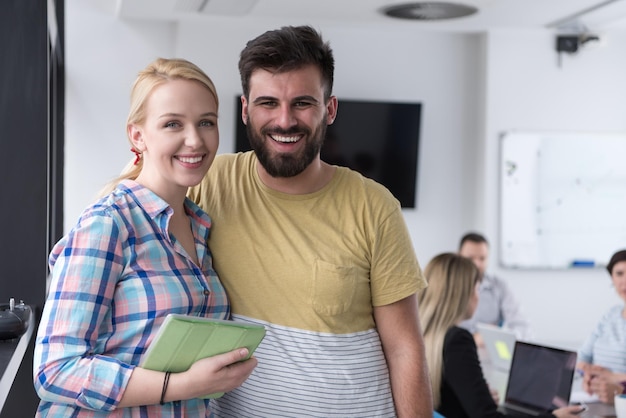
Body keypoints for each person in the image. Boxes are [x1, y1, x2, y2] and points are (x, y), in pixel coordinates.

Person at [188, 25, 433, 417]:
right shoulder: (206, 183)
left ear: (329, 109)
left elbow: (405, 348)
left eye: (302, 103)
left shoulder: (374, 207)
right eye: (268, 102)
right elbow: (124, 207)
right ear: (246, 109)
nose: (285, 121)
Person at [33, 58, 257, 416]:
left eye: (206, 123)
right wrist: (186, 385)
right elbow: (54, 370)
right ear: (137, 136)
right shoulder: (108, 224)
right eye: (172, 124)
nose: (195, 140)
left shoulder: (200, 227)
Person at [419, 252, 585, 417]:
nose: (478, 296)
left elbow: (448, 398)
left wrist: (478, 397)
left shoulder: (424, 335)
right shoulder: (457, 340)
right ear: (463, 293)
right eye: (477, 288)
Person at [458, 232, 531, 345]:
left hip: (489, 352)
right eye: (470, 258)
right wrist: (472, 339)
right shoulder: (446, 287)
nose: (477, 264)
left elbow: (522, 327)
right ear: (458, 256)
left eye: (482, 258)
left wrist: (498, 335)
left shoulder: (499, 286)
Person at [577, 249, 626, 404]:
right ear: (612, 278)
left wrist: (618, 383)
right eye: (619, 274)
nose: (624, 281)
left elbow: (616, 385)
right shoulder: (610, 315)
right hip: (597, 403)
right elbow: (581, 357)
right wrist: (588, 374)